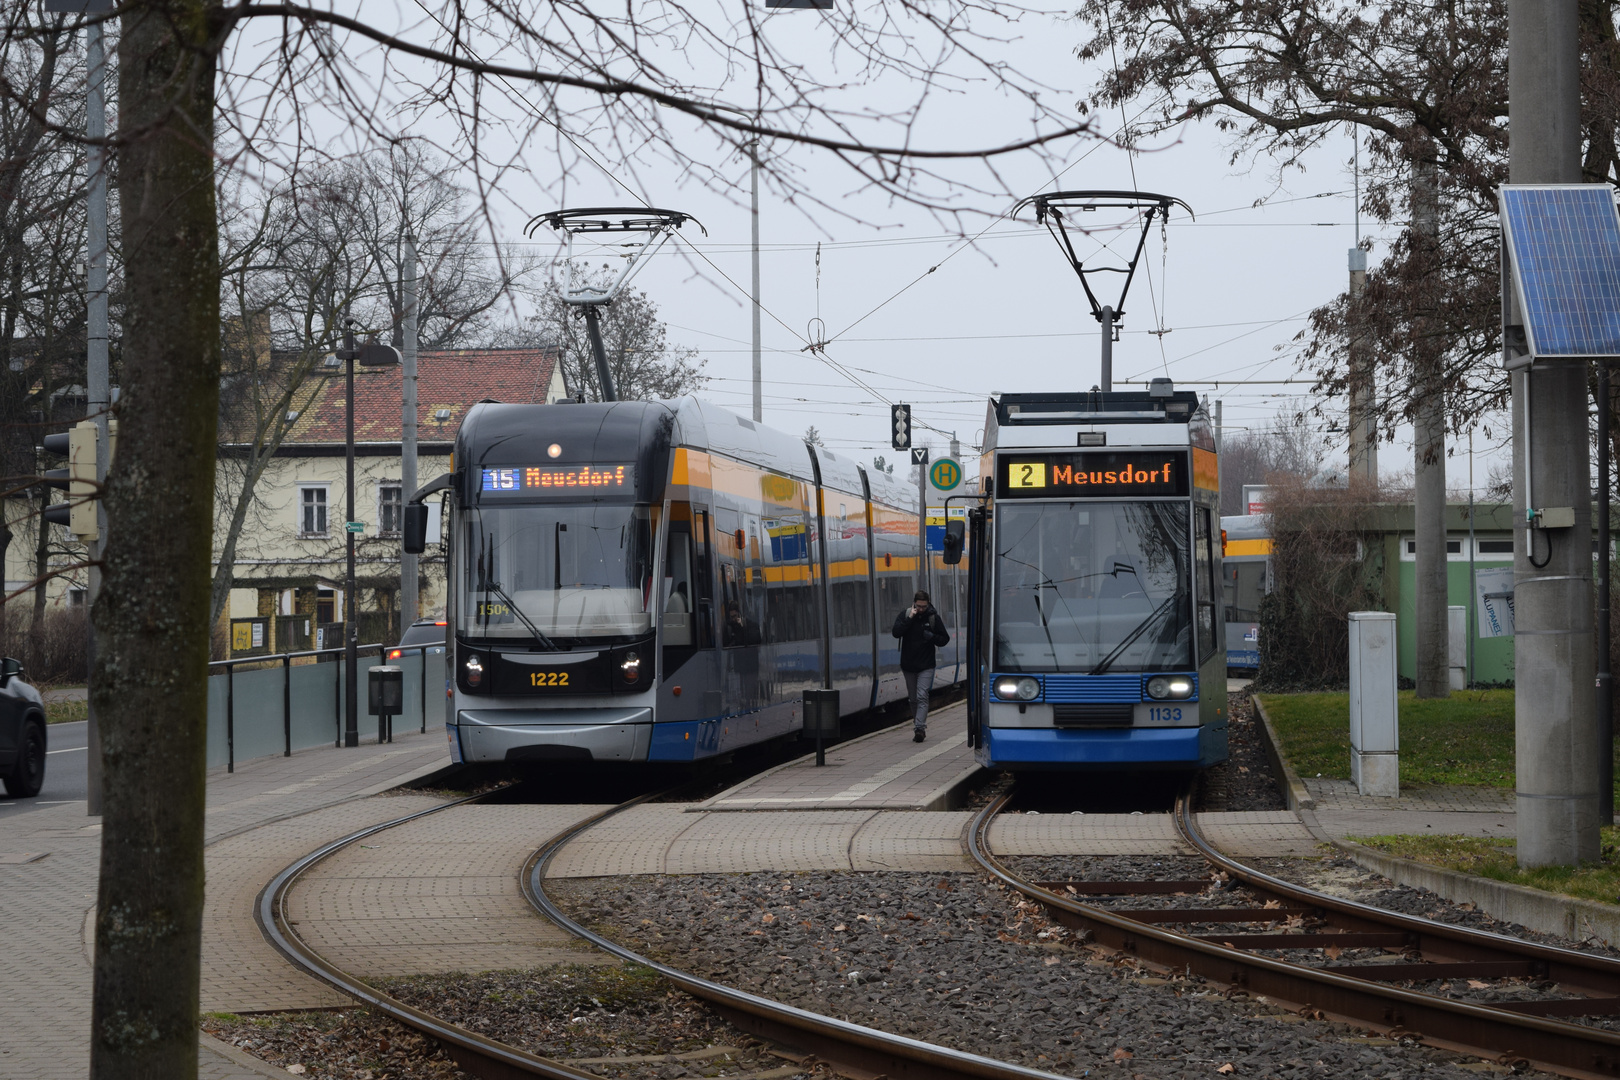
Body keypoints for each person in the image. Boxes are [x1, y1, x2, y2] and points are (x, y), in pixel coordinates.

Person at [892, 589, 949, 742]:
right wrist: (910, 618)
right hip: (908, 665)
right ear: (914, 604)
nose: (921, 609)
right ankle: (918, 723)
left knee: (922, 695)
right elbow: (896, 632)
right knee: (913, 699)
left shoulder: (933, 618)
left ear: (928, 604)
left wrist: (932, 637)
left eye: (924, 606)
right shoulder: (906, 615)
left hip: (926, 665)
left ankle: (919, 728)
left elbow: (944, 639)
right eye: (918, 606)